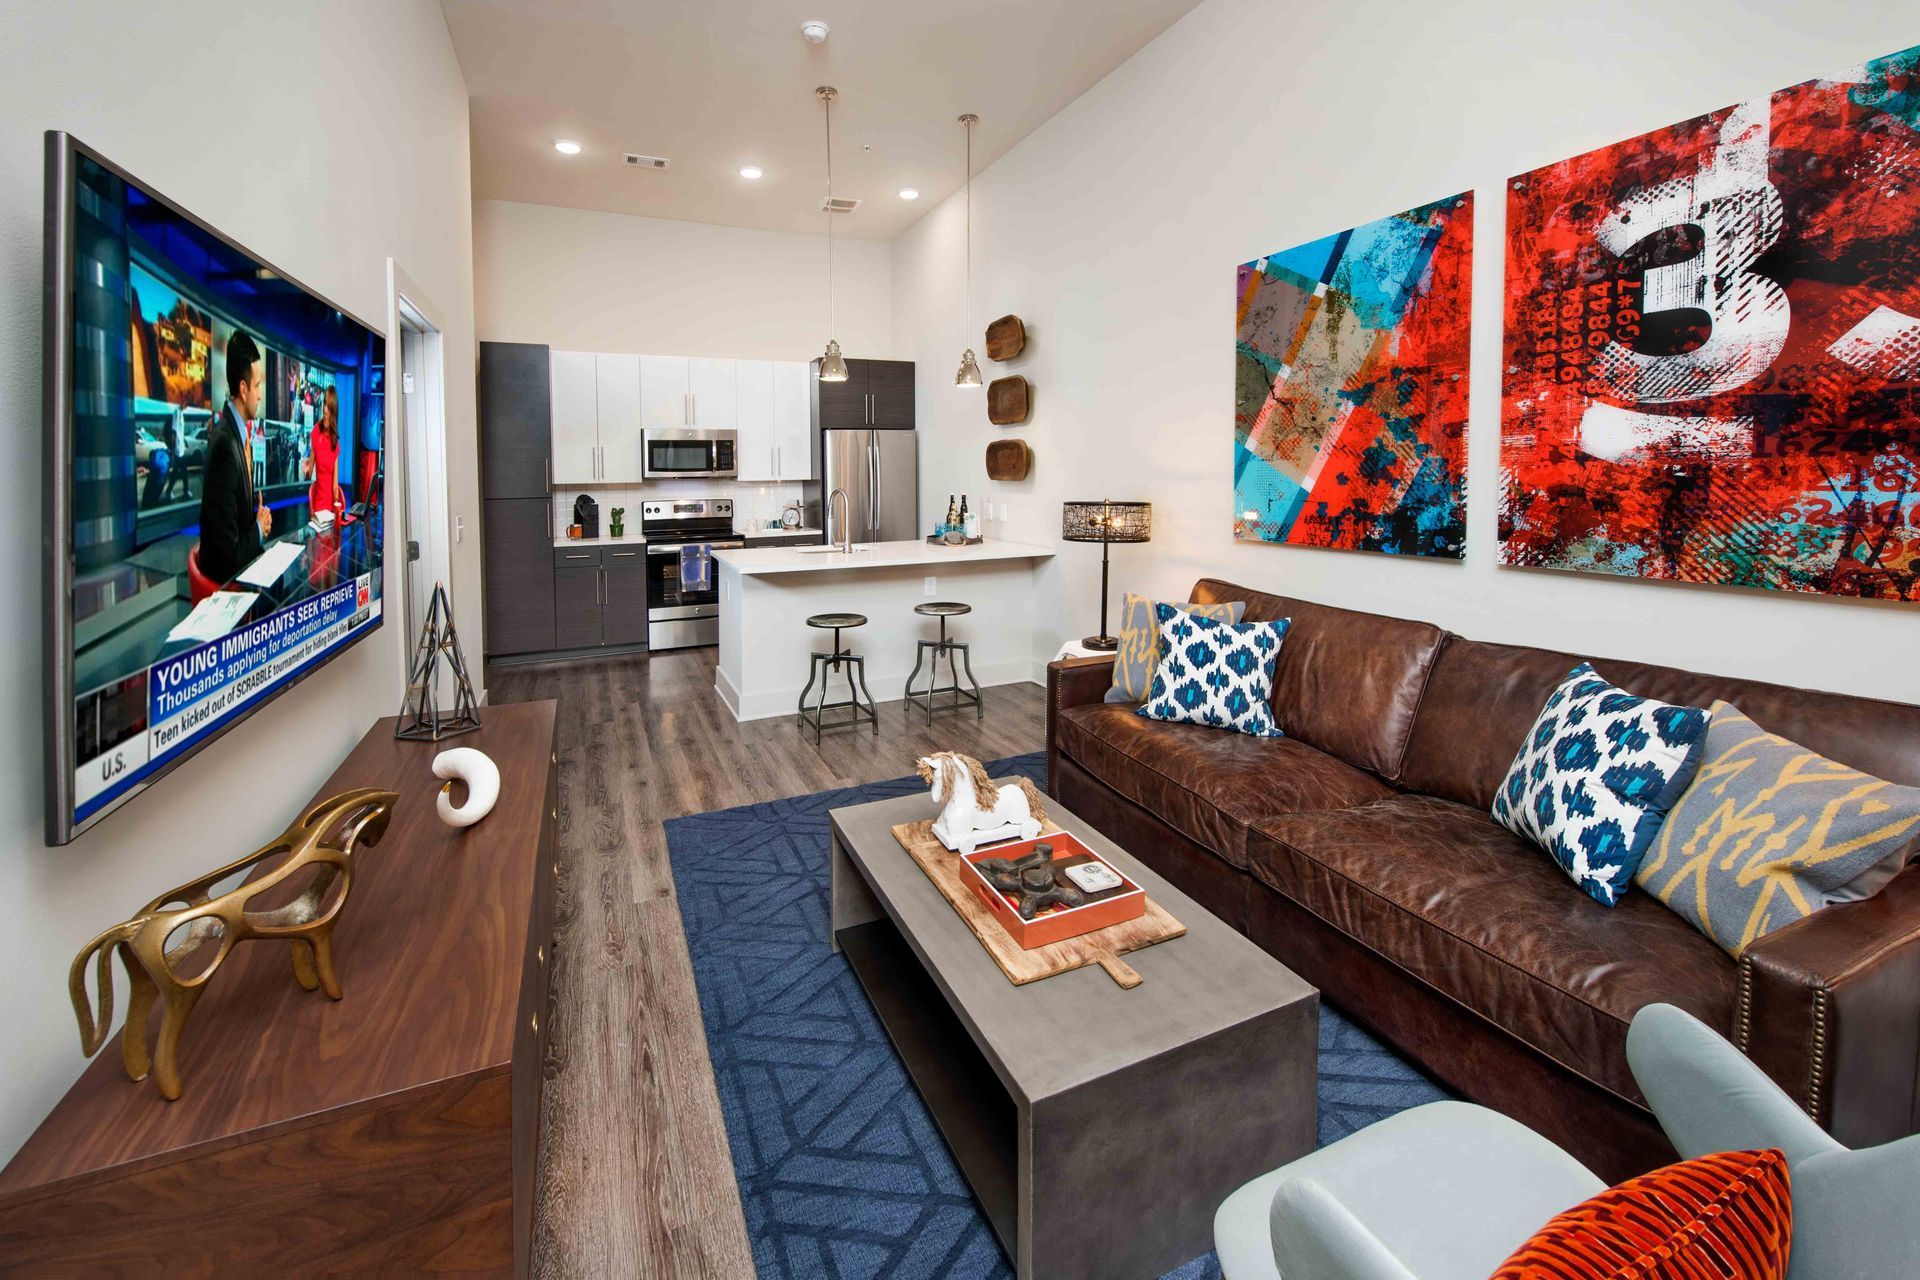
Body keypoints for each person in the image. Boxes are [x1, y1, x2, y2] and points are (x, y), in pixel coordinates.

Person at [198, 330, 273, 583]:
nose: (260, 394)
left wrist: (256, 519)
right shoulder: (224, 447)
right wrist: (259, 531)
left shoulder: (236, 436)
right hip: (227, 585)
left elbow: (231, 523)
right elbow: (227, 557)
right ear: (243, 388)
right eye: (258, 385)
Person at [309, 385, 345, 519]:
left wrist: (337, 509)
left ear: (333, 412)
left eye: (328, 407)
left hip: (331, 510)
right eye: (324, 404)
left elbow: (335, 485)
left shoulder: (335, 443)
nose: (324, 410)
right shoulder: (316, 432)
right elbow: (309, 473)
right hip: (318, 509)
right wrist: (306, 467)